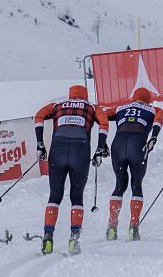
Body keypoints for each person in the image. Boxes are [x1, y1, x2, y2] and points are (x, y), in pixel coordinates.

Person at [34, 85, 109, 255]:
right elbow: (104, 124)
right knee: (77, 196)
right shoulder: (92, 107)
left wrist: (40, 143)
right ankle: (74, 239)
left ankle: (48, 236)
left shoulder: (57, 105)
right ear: (85, 96)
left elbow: (39, 116)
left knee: (54, 195)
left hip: (57, 150)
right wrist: (100, 148)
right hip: (80, 151)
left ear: (70, 95)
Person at [102, 87, 163, 241]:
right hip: (138, 145)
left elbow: (102, 116)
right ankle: (133, 228)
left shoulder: (120, 107)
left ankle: (112, 227)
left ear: (134, 98)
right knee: (136, 185)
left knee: (119, 185)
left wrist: (102, 142)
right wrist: (154, 138)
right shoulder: (153, 108)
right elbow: (158, 120)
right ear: (148, 99)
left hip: (118, 144)